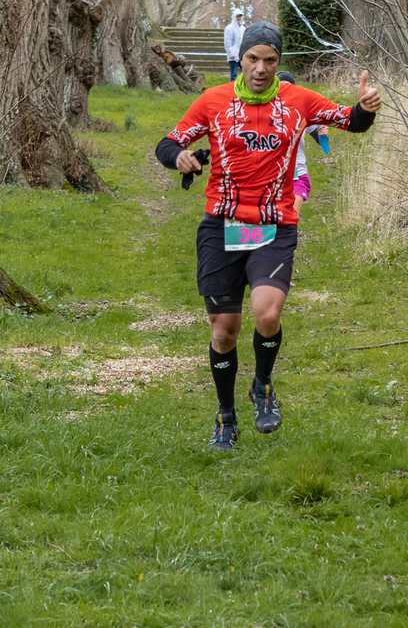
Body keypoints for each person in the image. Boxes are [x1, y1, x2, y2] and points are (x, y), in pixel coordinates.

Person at [155, 22, 382, 449]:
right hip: (221, 227)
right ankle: (226, 417)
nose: (260, 68)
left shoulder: (298, 100)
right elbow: (167, 143)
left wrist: (365, 107)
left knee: (267, 315)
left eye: (270, 60)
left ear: (279, 63)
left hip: (275, 225)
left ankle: (262, 386)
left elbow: (350, 121)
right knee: (223, 332)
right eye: (253, 59)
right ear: (240, 60)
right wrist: (180, 156)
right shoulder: (213, 100)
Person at [276, 71, 329, 217]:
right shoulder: (264, 114)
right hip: (272, 177)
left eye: (288, 86)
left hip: (297, 175)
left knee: (289, 218)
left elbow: (320, 140)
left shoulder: (302, 113)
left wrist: (322, 133)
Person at [223, 10, 245, 81]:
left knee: (245, 73)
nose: (239, 18)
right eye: (237, 16)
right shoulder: (229, 28)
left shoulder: (243, 28)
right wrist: (231, 53)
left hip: (241, 54)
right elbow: (227, 43)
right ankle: (232, 87)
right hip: (234, 55)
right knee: (233, 74)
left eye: (240, 16)